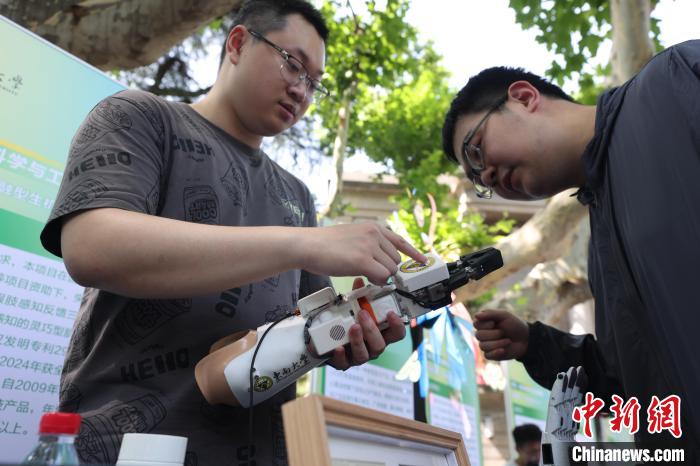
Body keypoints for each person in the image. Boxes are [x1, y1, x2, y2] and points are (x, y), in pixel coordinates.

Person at [39, 1, 427, 465]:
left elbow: (305, 328)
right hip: (122, 447)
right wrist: (303, 243)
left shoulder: (296, 195)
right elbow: (91, 246)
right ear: (238, 43)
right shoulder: (139, 116)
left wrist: (352, 329)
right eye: (293, 64)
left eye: (314, 82)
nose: (302, 90)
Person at [442, 40, 700, 458]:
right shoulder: (600, 245)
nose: (486, 176)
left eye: (476, 151)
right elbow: (634, 382)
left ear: (523, 98)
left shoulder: (672, 81)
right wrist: (535, 346)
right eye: (477, 179)